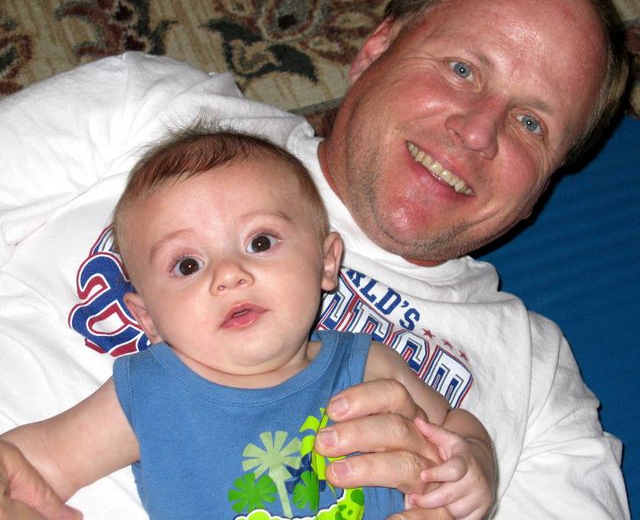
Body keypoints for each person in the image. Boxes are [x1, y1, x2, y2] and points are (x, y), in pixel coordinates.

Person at [0, 0, 631, 519]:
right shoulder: (158, 109)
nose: (476, 132)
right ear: (375, 50)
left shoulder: (536, 377)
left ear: (543, 185)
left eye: (531, 124)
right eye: (463, 69)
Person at [1, 125, 496, 520]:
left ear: (326, 263)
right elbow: (36, 463)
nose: (229, 274)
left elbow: (454, 425)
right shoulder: (148, 391)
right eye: (187, 265)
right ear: (148, 317)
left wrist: (474, 462)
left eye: (259, 242)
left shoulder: (365, 365)